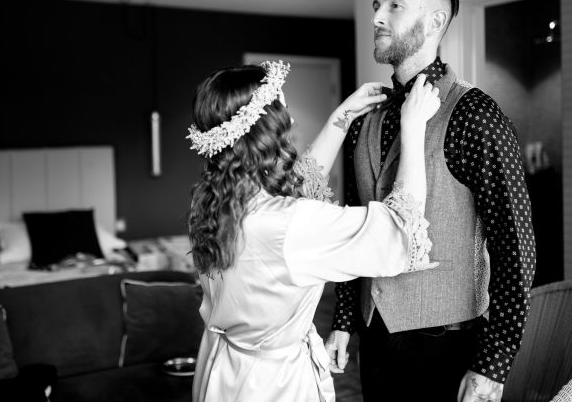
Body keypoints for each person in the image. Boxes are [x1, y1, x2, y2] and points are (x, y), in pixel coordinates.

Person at [325, 0, 536, 402]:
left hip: (448, 345)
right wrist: (345, 319)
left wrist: (493, 364)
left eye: (394, 6)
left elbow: (515, 246)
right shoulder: (367, 116)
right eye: (377, 4)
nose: (377, 17)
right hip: (374, 336)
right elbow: (354, 226)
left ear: (435, 20)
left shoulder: (476, 115)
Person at [186, 60, 440, 402]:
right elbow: (398, 230)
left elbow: (294, 194)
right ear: (265, 130)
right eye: (281, 108)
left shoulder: (213, 200)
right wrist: (413, 129)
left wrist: (343, 116)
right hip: (272, 385)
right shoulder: (287, 224)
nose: (289, 119)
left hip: (222, 369)